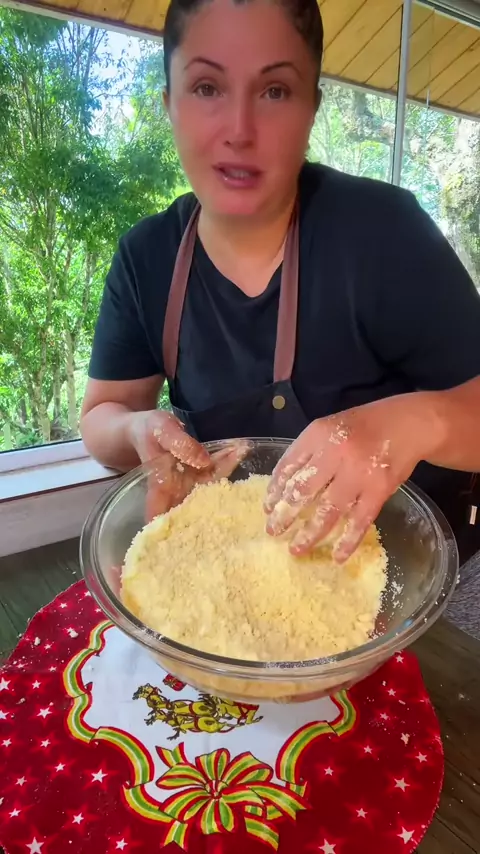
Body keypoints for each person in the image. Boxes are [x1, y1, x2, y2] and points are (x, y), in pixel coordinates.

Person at [80, 0, 480, 564]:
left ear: (312, 108)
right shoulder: (146, 258)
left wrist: (414, 422)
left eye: (275, 91)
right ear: (170, 104)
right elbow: (102, 416)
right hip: (241, 568)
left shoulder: (385, 233)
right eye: (207, 87)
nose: (239, 130)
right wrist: (137, 430)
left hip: (420, 574)